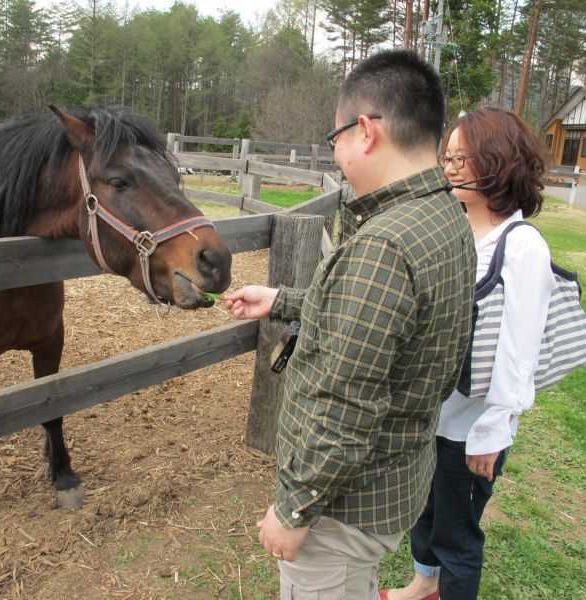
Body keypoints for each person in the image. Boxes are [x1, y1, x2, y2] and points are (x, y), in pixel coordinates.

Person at [223, 49, 477, 598]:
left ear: (365, 131)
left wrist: (293, 510)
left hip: (340, 508)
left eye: (335, 135)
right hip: (394, 481)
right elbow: (386, 326)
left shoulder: (384, 244)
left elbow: (343, 403)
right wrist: (285, 299)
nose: (334, 150)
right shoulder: (443, 215)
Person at [383, 108, 555, 600]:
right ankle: (423, 584)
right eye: (448, 156)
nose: (451, 167)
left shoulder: (521, 247)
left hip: (469, 428)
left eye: (465, 157)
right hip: (431, 413)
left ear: (500, 161)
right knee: (425, 509)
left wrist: (493, 429)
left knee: (456, 533)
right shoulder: (458, 232)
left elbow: (519, 351)